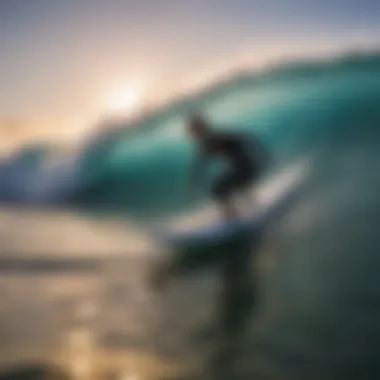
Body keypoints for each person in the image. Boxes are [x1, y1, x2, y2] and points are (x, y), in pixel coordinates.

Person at [187, 113, 269, 219]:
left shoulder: (219, 138)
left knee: (222, 189)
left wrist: (263, 155)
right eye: (192, 132)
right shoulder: (206, 144)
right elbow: (199, 164)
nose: (193, 135)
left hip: (247, 167)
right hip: (239, 168)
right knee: (222, 188)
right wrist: (193, 183)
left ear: (202, 128)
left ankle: (236, 215)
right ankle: (242, 212)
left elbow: (246, 139)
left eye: (195, 131)